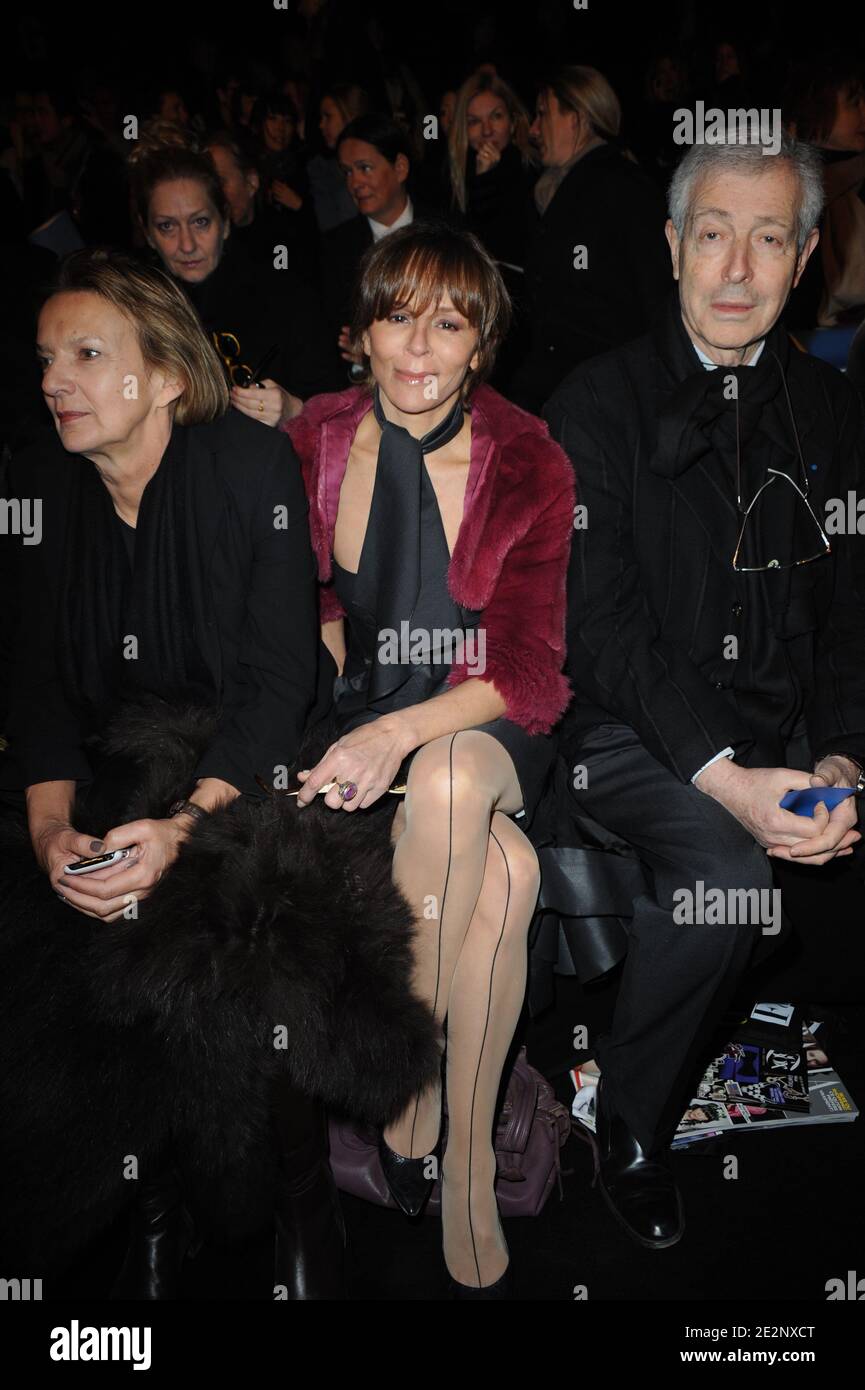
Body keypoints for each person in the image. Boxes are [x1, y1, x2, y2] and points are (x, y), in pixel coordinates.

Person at [0, 248, 440, 1297]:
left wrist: (185, 826)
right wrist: (54, 835)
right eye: (46, 356)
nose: (55, 376)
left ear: (161, 374)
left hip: (254, 763)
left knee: (240, 932)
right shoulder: (35, 487)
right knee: (59, 947)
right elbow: (38, 700)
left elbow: (281, 679)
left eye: (87, 353)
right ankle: (149, 1203)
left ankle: (297, 1200)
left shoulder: (246, 462)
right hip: (114, 775)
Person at [544, 133, 865, 1250]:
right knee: (724, 873)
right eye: (713, 235)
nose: (737, 270)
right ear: (673, 245)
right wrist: (728, 779)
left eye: (768, 238)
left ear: (808, 254)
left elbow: (848, 614)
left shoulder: (831, 408)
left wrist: (839, 756)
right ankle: (627, 1126)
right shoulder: (594, 401)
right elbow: (602, 632)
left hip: (784, 730)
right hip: (623, 726)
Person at [283, 221, 575, 1296]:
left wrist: (400, 731)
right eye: (398, 316)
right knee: (511, 878)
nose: (418, 348)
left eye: (447, 322)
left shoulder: (527, 457)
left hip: (484, 720)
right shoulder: (314, 436)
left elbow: (534, 670)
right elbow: (297, 601)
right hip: (356, 712)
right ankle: (459, 1159)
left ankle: (406, 1102)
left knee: (452, 784)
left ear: (480, 341)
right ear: (361, 329)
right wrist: (343, 684)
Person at [131, 144, 340, 425]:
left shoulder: (287, 297)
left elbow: (337, 411)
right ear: (148, 233)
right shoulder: (135, 310)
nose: (187, 245)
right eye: (167, 226)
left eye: (200, 222)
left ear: (225, 222)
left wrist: (294, 410)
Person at [510, 65, 672, 414]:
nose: (535, 129)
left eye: (543, 114)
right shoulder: (551, 189)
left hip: (602, 397)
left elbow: (657, 297)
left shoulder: (623, 188)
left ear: (577, 118)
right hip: (562, 387)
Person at [321, 114, 440, 376]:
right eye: (347, 172)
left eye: (365, 168)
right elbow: (327, 342)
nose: (355, 183)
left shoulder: (446, 235)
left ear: (400, 168)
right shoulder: (333, 248)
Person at [446, 72, 538, 393]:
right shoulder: (454, 177)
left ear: (513, 123)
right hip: (473, 305)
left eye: (496, 117)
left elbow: (512, 238)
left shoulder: (532, 170)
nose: (486, 130)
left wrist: (490, 179)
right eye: (474, 121)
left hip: (523, 311)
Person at [307, 82, 369, 233]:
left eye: (328, 116)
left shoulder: (382, 158)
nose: (321, 125)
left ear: (350, 115)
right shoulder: (320, 168)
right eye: (321, 117)